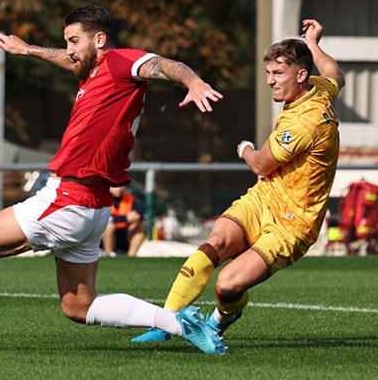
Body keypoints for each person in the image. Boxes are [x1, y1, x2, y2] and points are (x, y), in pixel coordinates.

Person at [0, 5, 226, 354]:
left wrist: (193, 81)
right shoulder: (94, 72)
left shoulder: (120, 62)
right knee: (79, 307)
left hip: (67, 199)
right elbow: (72, 59)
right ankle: (178, 322)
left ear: (100, 39)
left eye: (75, 41)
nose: (70, 49)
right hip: (92, 209)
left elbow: (165, 64)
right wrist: (27, 49)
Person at [132, 19, 345, 347]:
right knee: (214, 243)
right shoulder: (321, 88)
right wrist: (314, 43)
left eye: (278, 74)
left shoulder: (305, 124)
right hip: (264, 198)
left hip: (292, 224)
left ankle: (216, 322)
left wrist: (245, 148)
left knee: (227, 286)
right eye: (268, 73)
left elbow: (260, 163)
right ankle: (165, 324)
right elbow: (336, 74)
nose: (270, 82)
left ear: (301, 75)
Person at [101, 186, 147, 257]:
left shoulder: (129, 198)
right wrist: (125, 218)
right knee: (109, 225)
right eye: (115, 186)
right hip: (106, 237)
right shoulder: (102, 198)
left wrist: (136, 216)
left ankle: (131, 256)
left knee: (143, 224)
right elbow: (103, 218)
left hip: (126, 234)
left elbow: (142, 214)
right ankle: (109, 254)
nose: (119, 188)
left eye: (121, 185)